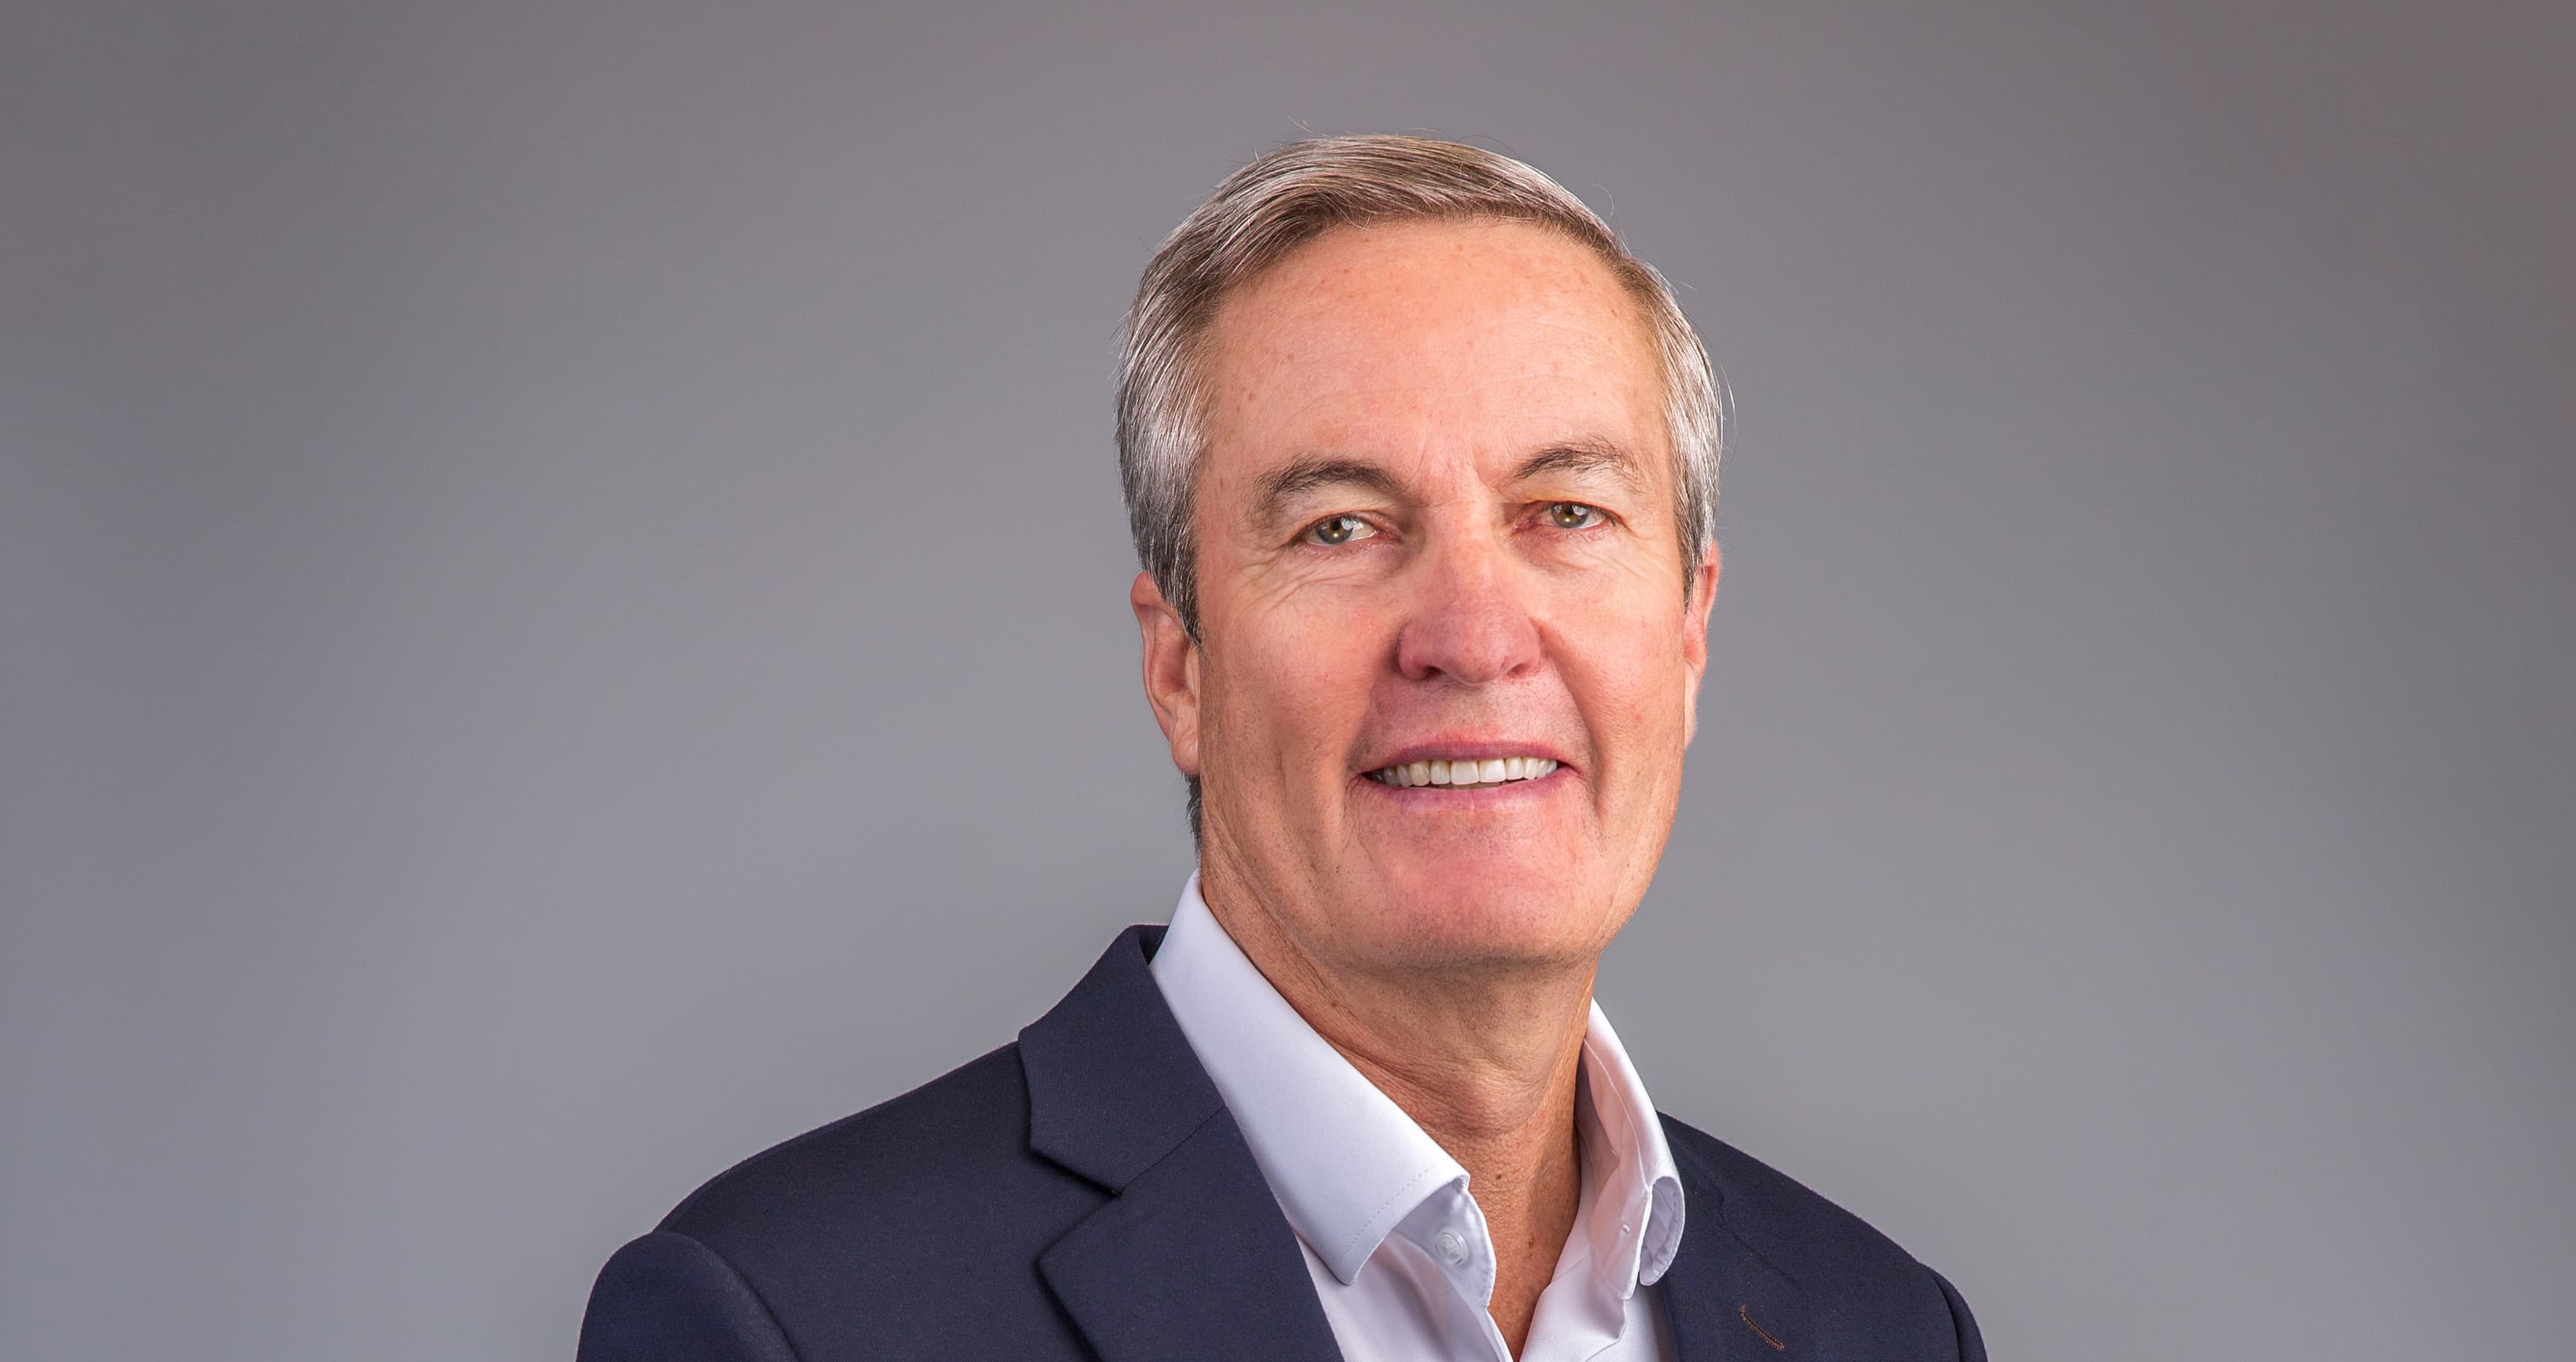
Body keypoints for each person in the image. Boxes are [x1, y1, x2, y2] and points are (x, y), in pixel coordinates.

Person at [578, 134, 1984, 1362]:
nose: (1473, 637)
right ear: (1178, 665)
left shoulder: (1882, 1327)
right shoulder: (791, 1320)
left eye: (1564, 512)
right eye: (1341, 528)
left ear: (1686, 635)